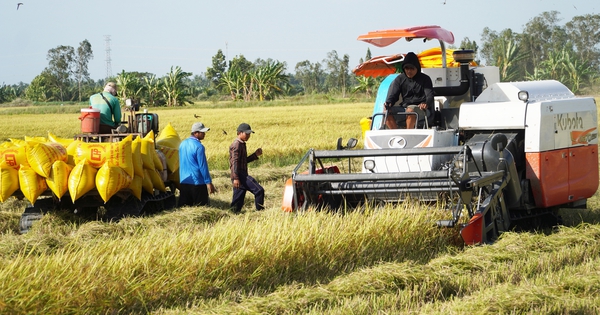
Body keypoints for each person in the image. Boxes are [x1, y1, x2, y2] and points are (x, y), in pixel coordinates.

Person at [383, 52, 434, 129]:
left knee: (410, 110)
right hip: (404, 108)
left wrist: (425, 103)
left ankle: (408, 134)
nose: (409, 71)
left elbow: (430, 96)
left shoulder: (425, 79)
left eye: (412, 68)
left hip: (422, 109)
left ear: (417, 68)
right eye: (407, 68)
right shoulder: (399, 79)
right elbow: (393, 95)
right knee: (386, 112)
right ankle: (397, 136)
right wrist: (388, 103)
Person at [178, 122, 216, 207]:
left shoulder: (182, 144)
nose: (204, 134)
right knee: (202, 207)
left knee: (185, 208)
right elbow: (203, 166)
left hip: (184, 181)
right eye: (202, 132)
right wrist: (208, 182)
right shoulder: (199, 147)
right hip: (197, 182)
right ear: (196, 133)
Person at [229, 123, 264, 213]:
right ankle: (260, 212)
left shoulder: (242, 143)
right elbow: (234, 163)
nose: (248, 136)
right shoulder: (237, 145)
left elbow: (243, 161)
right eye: (247, 133)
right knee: (259, 190)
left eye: (249, 134)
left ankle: (232, 216)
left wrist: (255, 155)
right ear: (240, 133)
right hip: (240, 175)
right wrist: (236, 178)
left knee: (237, 203)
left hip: (240, 174)